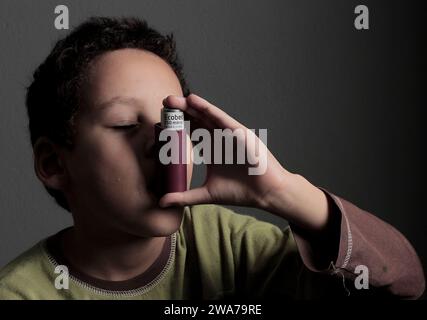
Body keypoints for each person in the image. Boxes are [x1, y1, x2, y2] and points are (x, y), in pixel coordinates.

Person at [0, 17, 424, 300]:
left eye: (175, 122)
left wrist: (288, 193)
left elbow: (406, 283)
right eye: (126, 124)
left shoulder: (231, 246)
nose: (165, 142)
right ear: (54, 164)